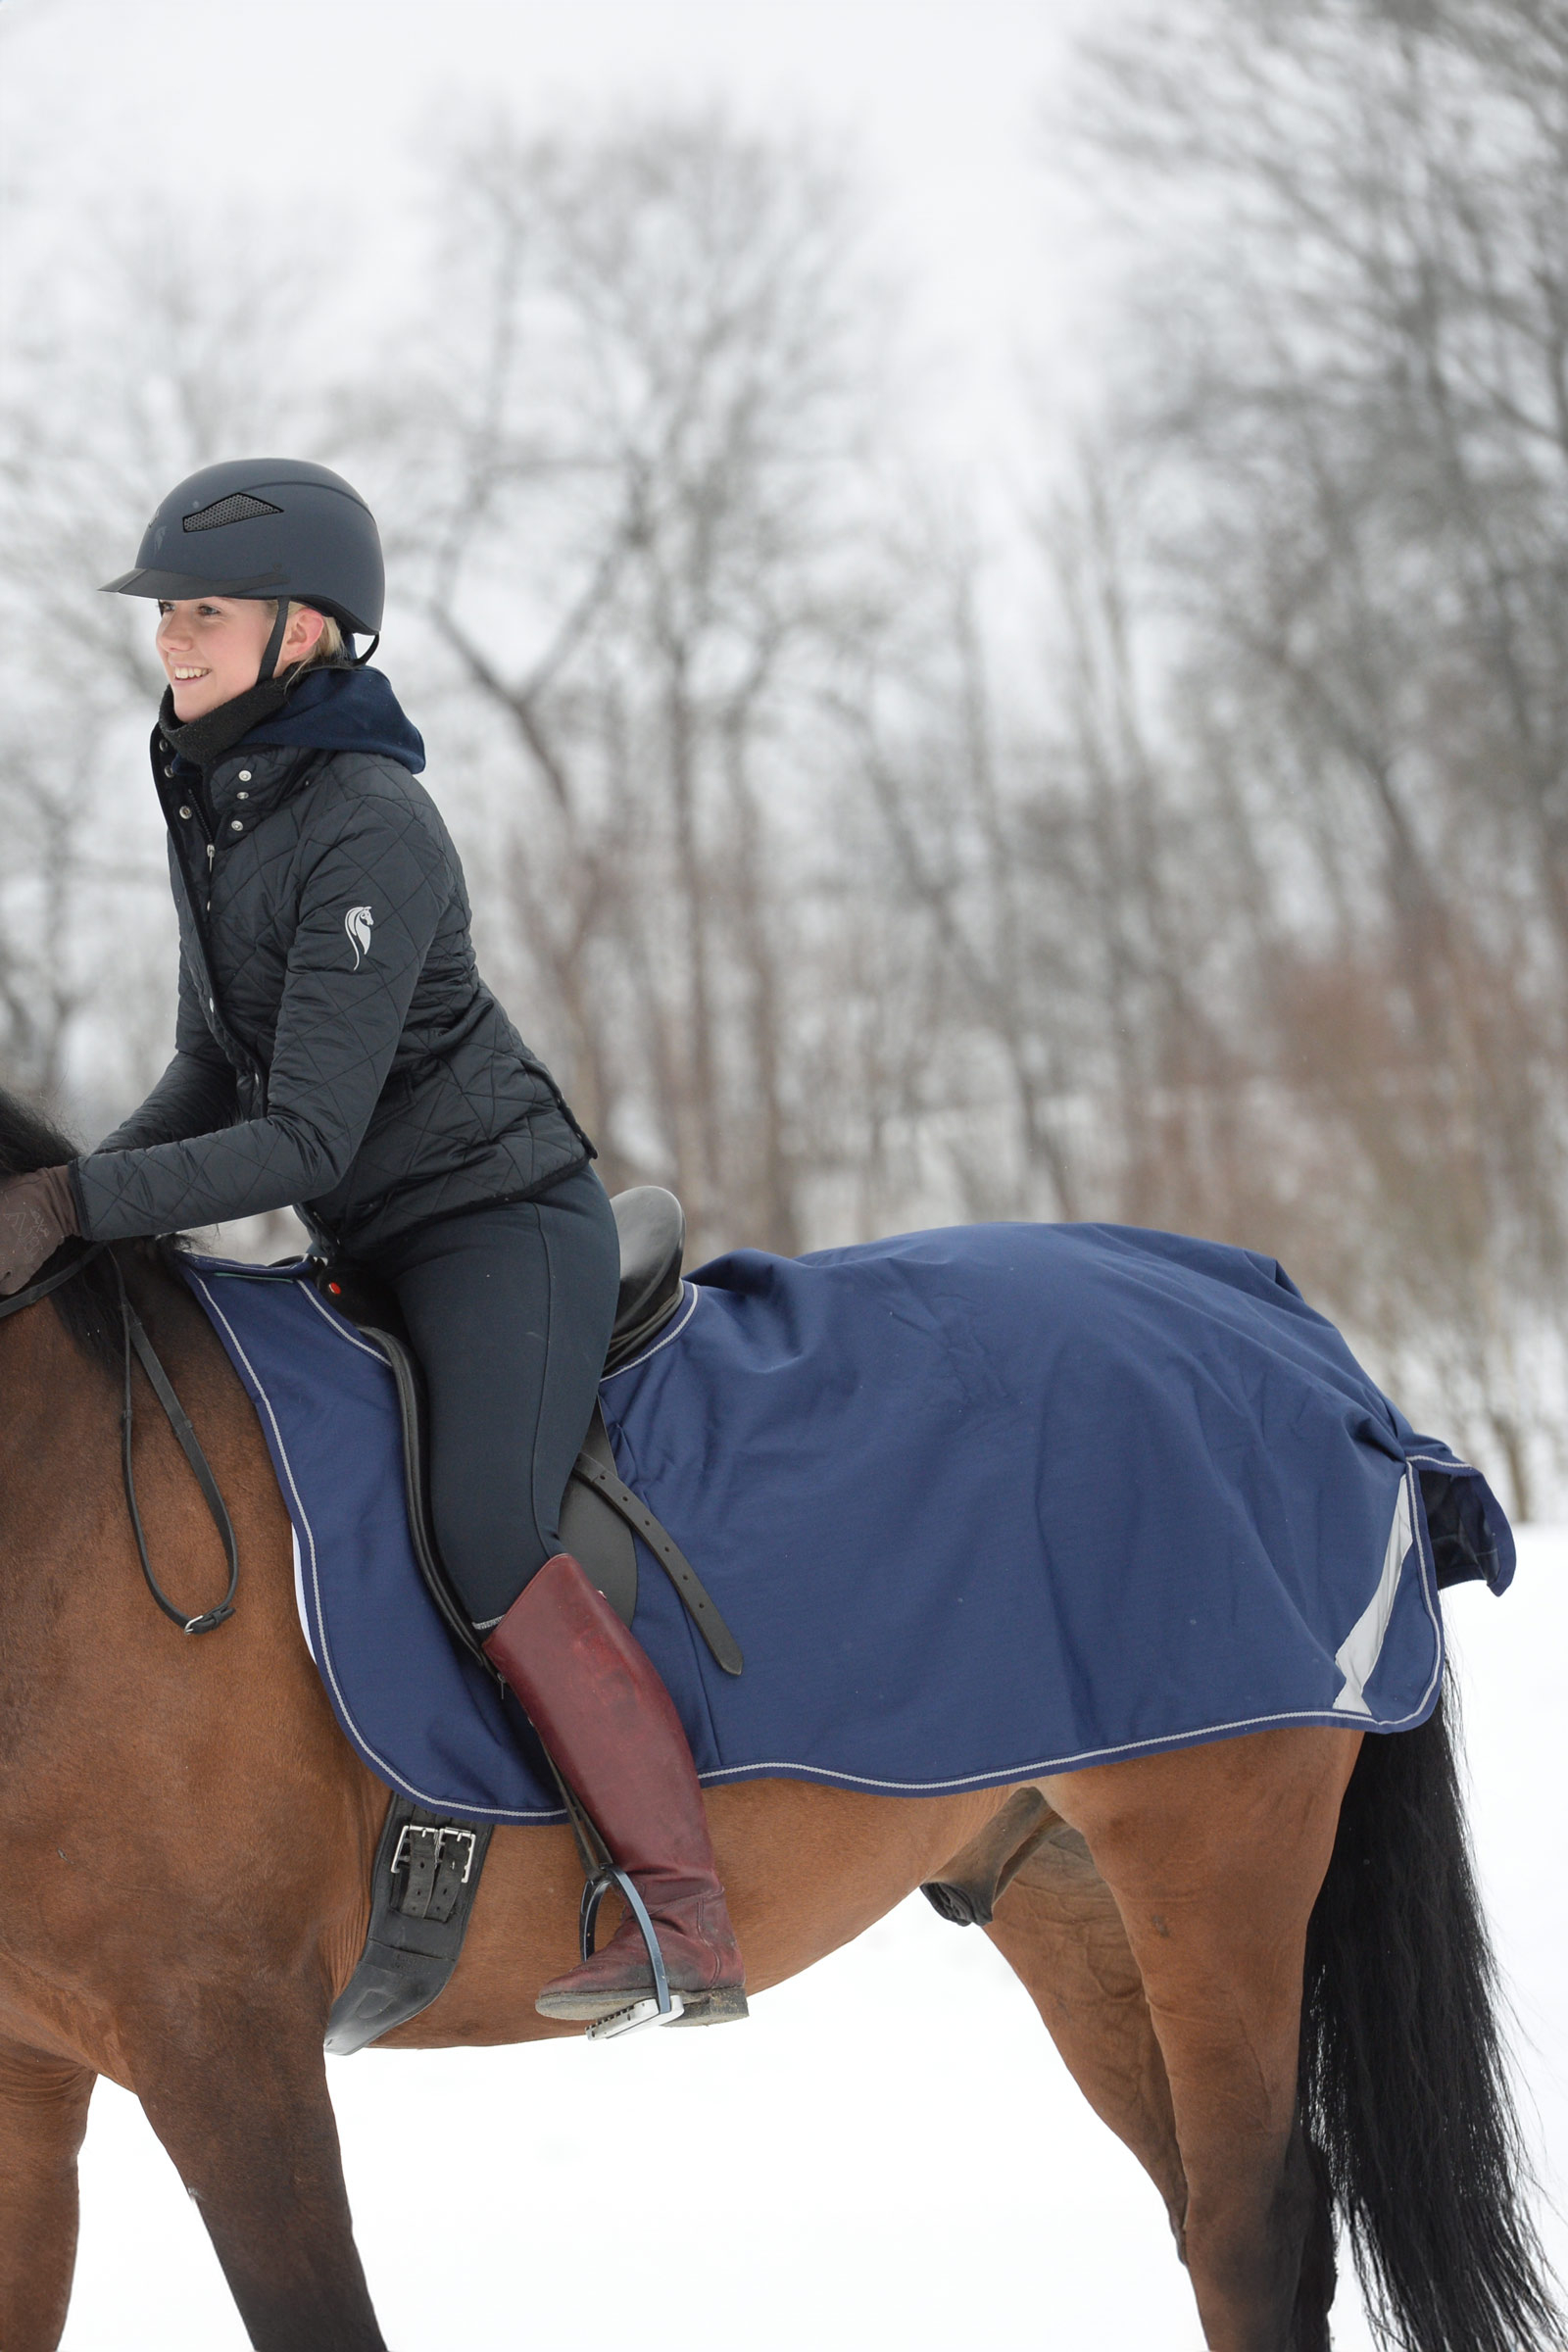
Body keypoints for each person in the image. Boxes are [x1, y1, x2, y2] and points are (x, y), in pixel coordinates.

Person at [0, 458, 745, 2026]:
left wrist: (73, 1203)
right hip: (367, 1238)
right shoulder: (214, 794)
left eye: (201, 613)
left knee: (483, 1523)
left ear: (306, 632)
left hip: (491, 1221)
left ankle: (683, 1907)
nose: (171, 641)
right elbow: (217, 1063)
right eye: (166, 615)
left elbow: (304, 1138)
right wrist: (74, 1214)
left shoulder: (370, 822)